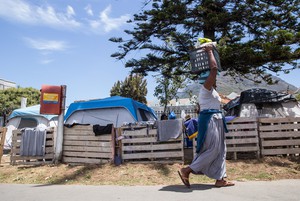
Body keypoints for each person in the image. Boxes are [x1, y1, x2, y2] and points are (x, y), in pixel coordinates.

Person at [178, 44, 235, 188]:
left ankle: (221, 179)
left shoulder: (212, 92)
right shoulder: (205, 88)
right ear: (207, 79)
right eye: (211, 77)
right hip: (211, 121)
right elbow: (214, 69)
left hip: (217, 120)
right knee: (213, 150)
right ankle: (186, 170)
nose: (214, 79)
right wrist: (210, 51)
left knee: (221, 150)